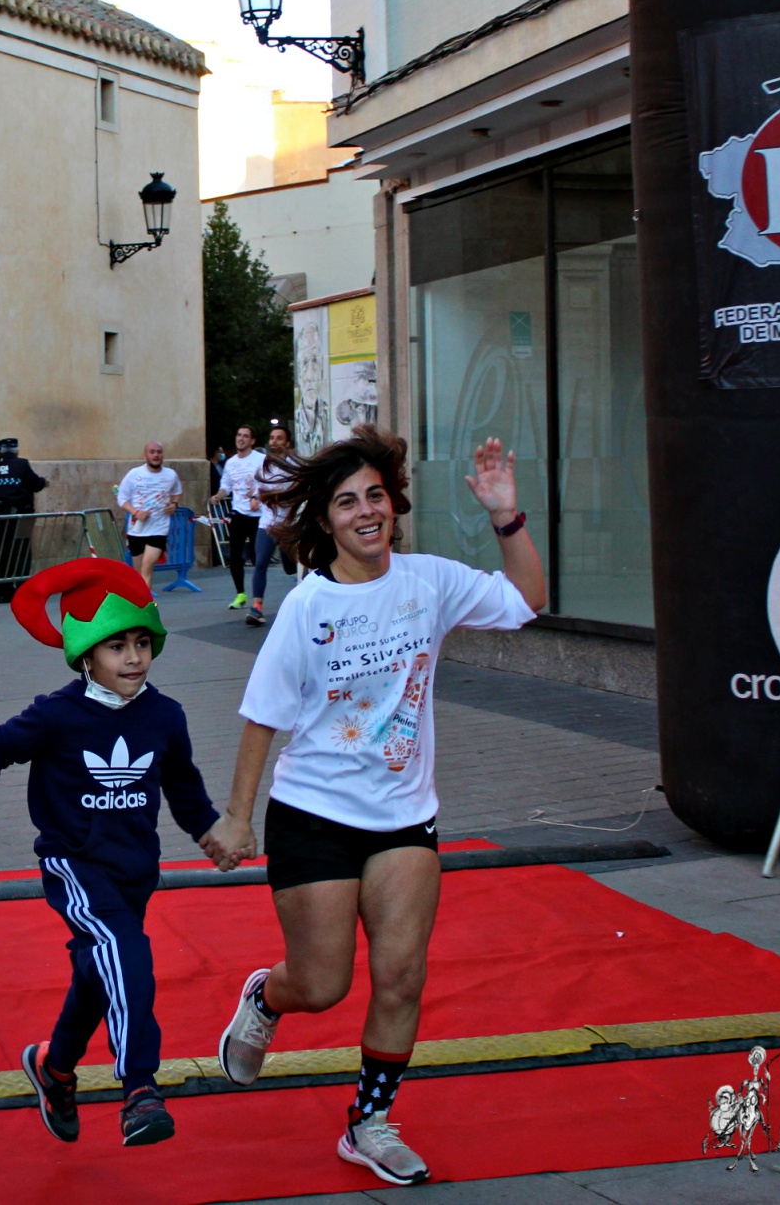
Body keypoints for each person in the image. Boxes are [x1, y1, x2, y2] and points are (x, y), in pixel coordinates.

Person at [205, 425, 546, 1186]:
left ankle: (370, 1122)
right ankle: (267, 995)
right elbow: (264, 716)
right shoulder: (307, 607)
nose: (366, 512)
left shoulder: (428, 581)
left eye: (376, 497)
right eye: (347, 502)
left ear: (393, 504)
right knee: (323, 985)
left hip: (403, 819)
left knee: (401, 978)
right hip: (315, 815)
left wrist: (504, 515)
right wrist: (237, 815)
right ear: (324, 520)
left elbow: (527, 600)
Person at [0, 558, 224, 1149]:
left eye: (142, 642)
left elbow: (183, 785)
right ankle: (139, 1087)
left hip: (135, 869)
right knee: (125, 955)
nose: (134, 657)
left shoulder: (166, 715)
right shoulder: (57, 713)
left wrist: (210, 831)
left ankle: (55, 1069)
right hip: (74, 864)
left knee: (99, 972)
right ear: (86, 654)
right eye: (117, 646)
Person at [0, 438, 47, 604]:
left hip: (0, 516)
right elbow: (35, 483)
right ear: (16, 451)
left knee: (4, 553)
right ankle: (23, 590)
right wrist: (44, 482)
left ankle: (3, 591)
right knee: (22, 553)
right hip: (20, 516)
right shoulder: (21, 464)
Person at [246, 424, 300, 627]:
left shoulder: (294, 465)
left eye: (279, 438)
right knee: (260, 563)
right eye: (272, 438)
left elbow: (299, 490)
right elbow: (257, 489)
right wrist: (254, 498)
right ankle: (256, 608)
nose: (274, 442)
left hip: (287, 525)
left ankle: (300, 605)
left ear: (286, 443)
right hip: (266, 524)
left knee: (290, 567)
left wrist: (282, 496)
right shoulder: (262, 465)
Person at [211, 425, 266, 612]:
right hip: (239, 513)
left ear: (252, 441)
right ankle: (240, 594)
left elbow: (268, 481)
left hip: (258, 515)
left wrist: (256, 496)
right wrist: (218, 496)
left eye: (245, 436)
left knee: (259, 557)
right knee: (235, 555)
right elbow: (226, 485)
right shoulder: (231, 463)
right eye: (239, 435)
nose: (241, 439)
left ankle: (259, 597)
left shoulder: (261, 460)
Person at [117, 441, 182, 586]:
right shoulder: (134, 474)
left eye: (159, 452)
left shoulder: (170, 475)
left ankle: (146, 607)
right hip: (137, 529)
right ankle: (140, 604)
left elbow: (177, 492)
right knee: (138, 573)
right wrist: (135, 512)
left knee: (147, 568)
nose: (156, 455)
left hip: (159, 528)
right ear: (145, 455)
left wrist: (174, 504)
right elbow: (122, 498)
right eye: (152, 452)